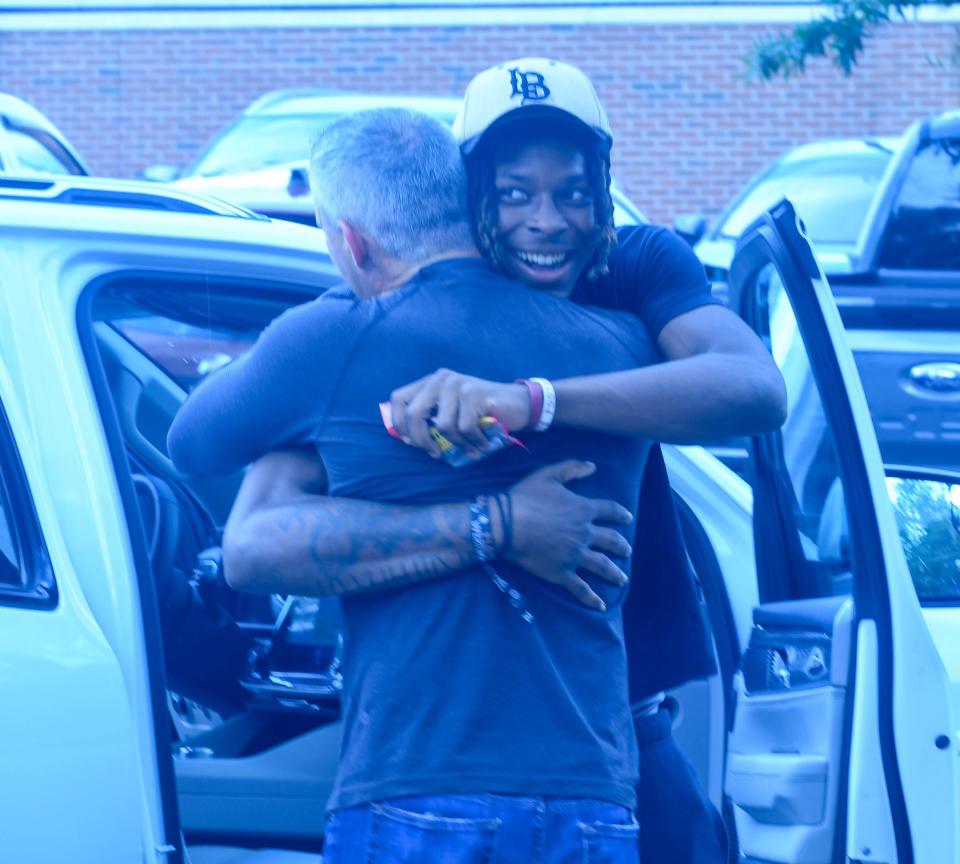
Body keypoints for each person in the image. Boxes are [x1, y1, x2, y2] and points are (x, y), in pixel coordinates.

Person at [222, 59, 786, 863]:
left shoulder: (635, 267)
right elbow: (238, 489)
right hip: (453, 734)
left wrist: (534, 398)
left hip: (614, 715)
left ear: (605, 186)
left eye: (573, 191)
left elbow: (752, 388)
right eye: (515, 192)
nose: (546, 220)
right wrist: (499, 522)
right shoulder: (413, 301)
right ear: (471, 195)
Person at [169, 106, 675, 864]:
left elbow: (192, 443)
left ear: (351, 241)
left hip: (420, 791)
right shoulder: (622, 343)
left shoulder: (336, 336)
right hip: (593, 795)